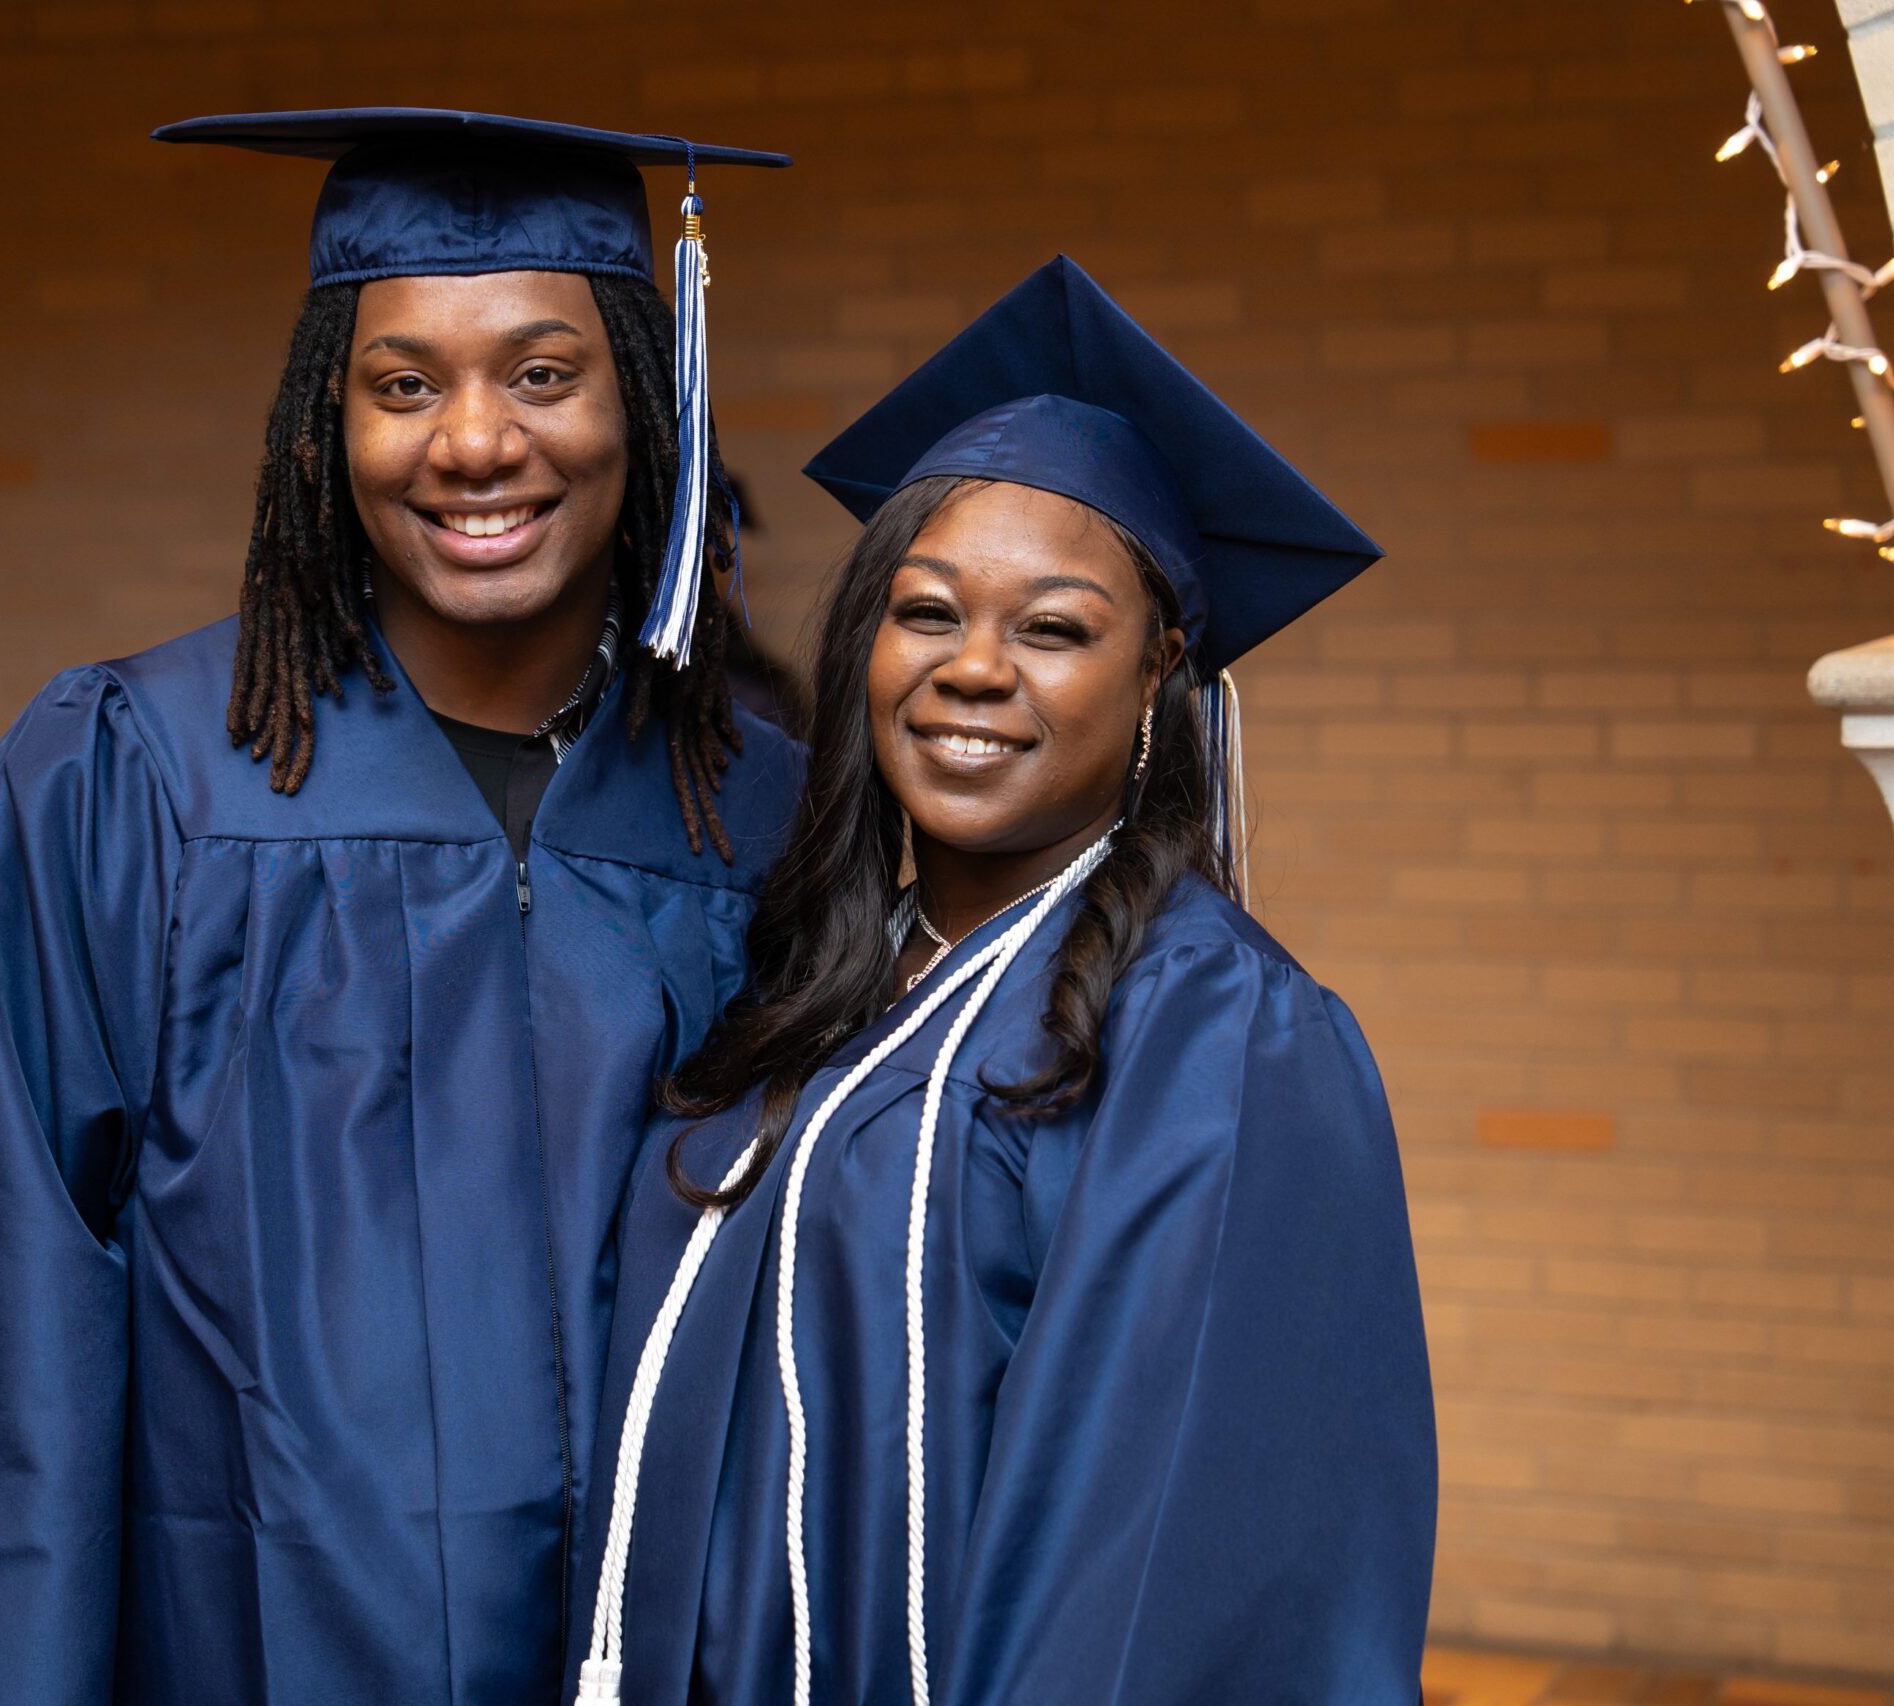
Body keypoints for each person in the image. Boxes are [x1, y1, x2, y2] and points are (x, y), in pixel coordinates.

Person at [0, 109, 803, 1705]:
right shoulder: (129, 785)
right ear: (323, 424)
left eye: (543, 373)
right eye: (403, 384)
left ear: (646, 400)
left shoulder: (759, 819)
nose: (474, 441)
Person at [570, 256, 1436, 1706]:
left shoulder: (1220, 1034)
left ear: (1159, 676)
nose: (973, 668)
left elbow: (1172, 1570)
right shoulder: (824, 979)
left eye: (1053, 628)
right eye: (927, 613)